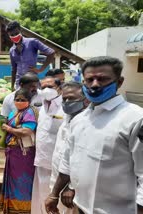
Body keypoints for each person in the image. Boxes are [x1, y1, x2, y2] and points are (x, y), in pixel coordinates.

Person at [45, 56, 143, 214]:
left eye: (102, 79)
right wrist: (54, 194)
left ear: (119, 82)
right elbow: (67, 162)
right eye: (89, 80)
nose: (95, 85)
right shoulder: (79, 119)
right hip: (79, 207)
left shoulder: (135, 119)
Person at [48, 82, 88, 214]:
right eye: (64, 99)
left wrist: (72, 187)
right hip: (59, 180)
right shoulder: (67, 117)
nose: (66, 102)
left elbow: (85, 160)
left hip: (73, 188)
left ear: (86, 100)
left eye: (71, 98)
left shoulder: (89, 122)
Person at [0, 88, 38, 214]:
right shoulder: (14, 113)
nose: (19, 102)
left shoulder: (30, 112)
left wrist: (8, 129)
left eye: (23, 100)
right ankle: (11, 207)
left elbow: (27, 131)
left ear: (29, 100)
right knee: (12, 180)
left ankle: (23, 209)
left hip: (24, 153)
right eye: (17, 99)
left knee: (22, 181)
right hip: (13, 152)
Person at [31, 76, 64, 214]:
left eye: (50, 86)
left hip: (58, 164)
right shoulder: (42, 107)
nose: (46, 90)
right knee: (41, 196)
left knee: (57, 200)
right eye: (43, 87)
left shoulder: (65, 108)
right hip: (41, 160)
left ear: (59, 88)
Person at [6, 21, 55, 90]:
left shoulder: (32, 42)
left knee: (34, 100)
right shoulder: (12, 50)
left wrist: (41, 69)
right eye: (12, 35)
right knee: (21, 100)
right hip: (19, 83)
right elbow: (14, 69)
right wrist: (12, 86)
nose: (14, 36)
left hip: (32, 82)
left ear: (20, 30)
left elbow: (51, 53)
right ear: (9, 35)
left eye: (16, 33)